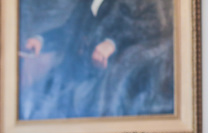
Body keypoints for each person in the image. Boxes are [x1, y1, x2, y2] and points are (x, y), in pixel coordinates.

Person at [19, 0, 173, 119]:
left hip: (114, 78)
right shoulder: (86, 2)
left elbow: (157, 26)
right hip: (79, 72)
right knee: (42, 102)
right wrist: (41, 40)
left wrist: (113, 42)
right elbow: (70, 29)